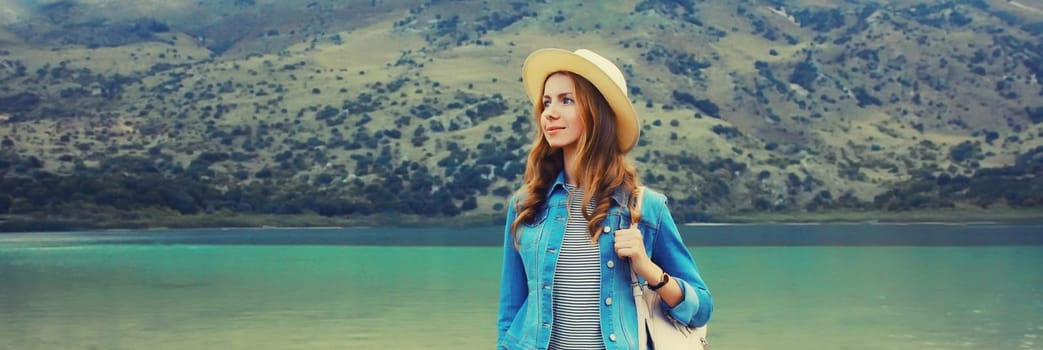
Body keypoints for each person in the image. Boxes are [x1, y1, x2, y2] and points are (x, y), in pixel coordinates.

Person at [497, 48, 713, 350]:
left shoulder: (645, 208)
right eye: (546, 102)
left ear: (596, 112)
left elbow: (701, 308)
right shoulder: (525, 206)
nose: (549, 112)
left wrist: (648, 268)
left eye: (566, 100)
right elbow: (510, 311)